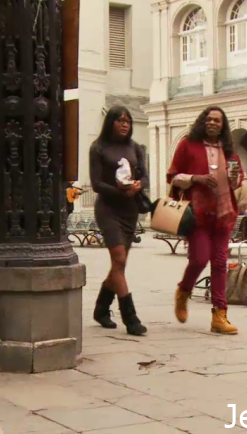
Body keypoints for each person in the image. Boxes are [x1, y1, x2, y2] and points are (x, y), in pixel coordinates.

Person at [167, 106, 244, 335]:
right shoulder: (187, 145)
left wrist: (234, 178)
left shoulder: (229, 151)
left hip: (223, 214)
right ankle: (183, 291)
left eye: (217, 121)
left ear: (223, 126)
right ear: (203, 122)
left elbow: (236, 182)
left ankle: (219, 315)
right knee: (199, 259)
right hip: (198, 214)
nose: (213, 123)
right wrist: (196, 179)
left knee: (220, 263)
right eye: (209, 119)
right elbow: (173, 177)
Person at [89, 105, 148, 336]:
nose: (125, 124)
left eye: (128, 121)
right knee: (120, 257)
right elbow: (96, 184)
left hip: (130, 210)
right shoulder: (98, 148)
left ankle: (101, 309)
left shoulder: (134, 147)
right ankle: (130, 318)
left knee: (118, 265)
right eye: (120, 120)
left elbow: (143, 174)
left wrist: (138, 186)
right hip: (108, 209)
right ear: (110, 122)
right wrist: (120, 190)